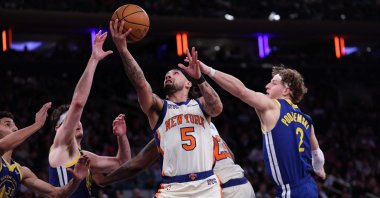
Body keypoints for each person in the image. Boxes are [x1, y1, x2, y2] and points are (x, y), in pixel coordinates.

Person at [110, 19, 223, 197]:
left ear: (188, 83)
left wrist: (200, 79)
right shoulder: (159, 107)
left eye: (175, 73)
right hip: (173, 187)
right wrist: (123, 50)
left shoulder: (201, 104)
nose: (169, 76)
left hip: (206, 184)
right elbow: (140, 83)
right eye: (166, 76)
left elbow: (216, 108)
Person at [198, 59, 326, 197]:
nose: (267, 85)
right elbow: (317, 154)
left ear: (286, 90)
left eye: (273, 83)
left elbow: (241, 91)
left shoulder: (272, 106)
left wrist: (208, 71)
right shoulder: (307, 120)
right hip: (309, 186)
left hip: (291, 190)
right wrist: (320, 170)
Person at [48, 30, 131, 198]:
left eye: (78, 120)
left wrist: (121, 137)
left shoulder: (85, 157)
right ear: (58, 128)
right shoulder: (61, 145)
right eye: (69, 120)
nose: (77, 122)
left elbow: (123, 163)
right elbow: (78, 104)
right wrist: (93, 60)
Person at [96, 122, 256, 198]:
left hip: (221, 190)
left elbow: (137, 164)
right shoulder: (208, 122)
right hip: (242, 185)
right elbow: (230, 156)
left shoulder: (172, 125)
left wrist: (105, 180)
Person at [0, 105, 90, 198]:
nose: (15, 128)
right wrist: (37, 124)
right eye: (7, 124)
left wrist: (76, 181)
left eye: (15, 125)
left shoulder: (20, 171)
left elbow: (56, 194)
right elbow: (2, 145)